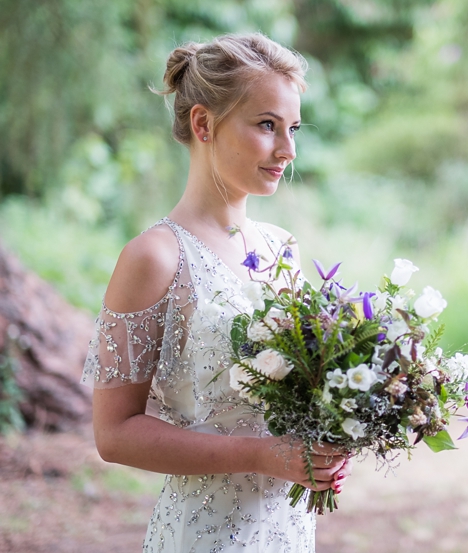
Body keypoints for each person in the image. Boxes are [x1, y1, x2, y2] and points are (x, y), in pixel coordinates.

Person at [81, 33, 352, 552]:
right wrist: (261, 455)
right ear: (204, 124)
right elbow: (113, 434)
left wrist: (331, 438)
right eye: (267, 125)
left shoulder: (282, 249)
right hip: (202, 533)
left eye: (292, 128)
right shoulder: (155, 258)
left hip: (287, 528)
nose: (288, 150)